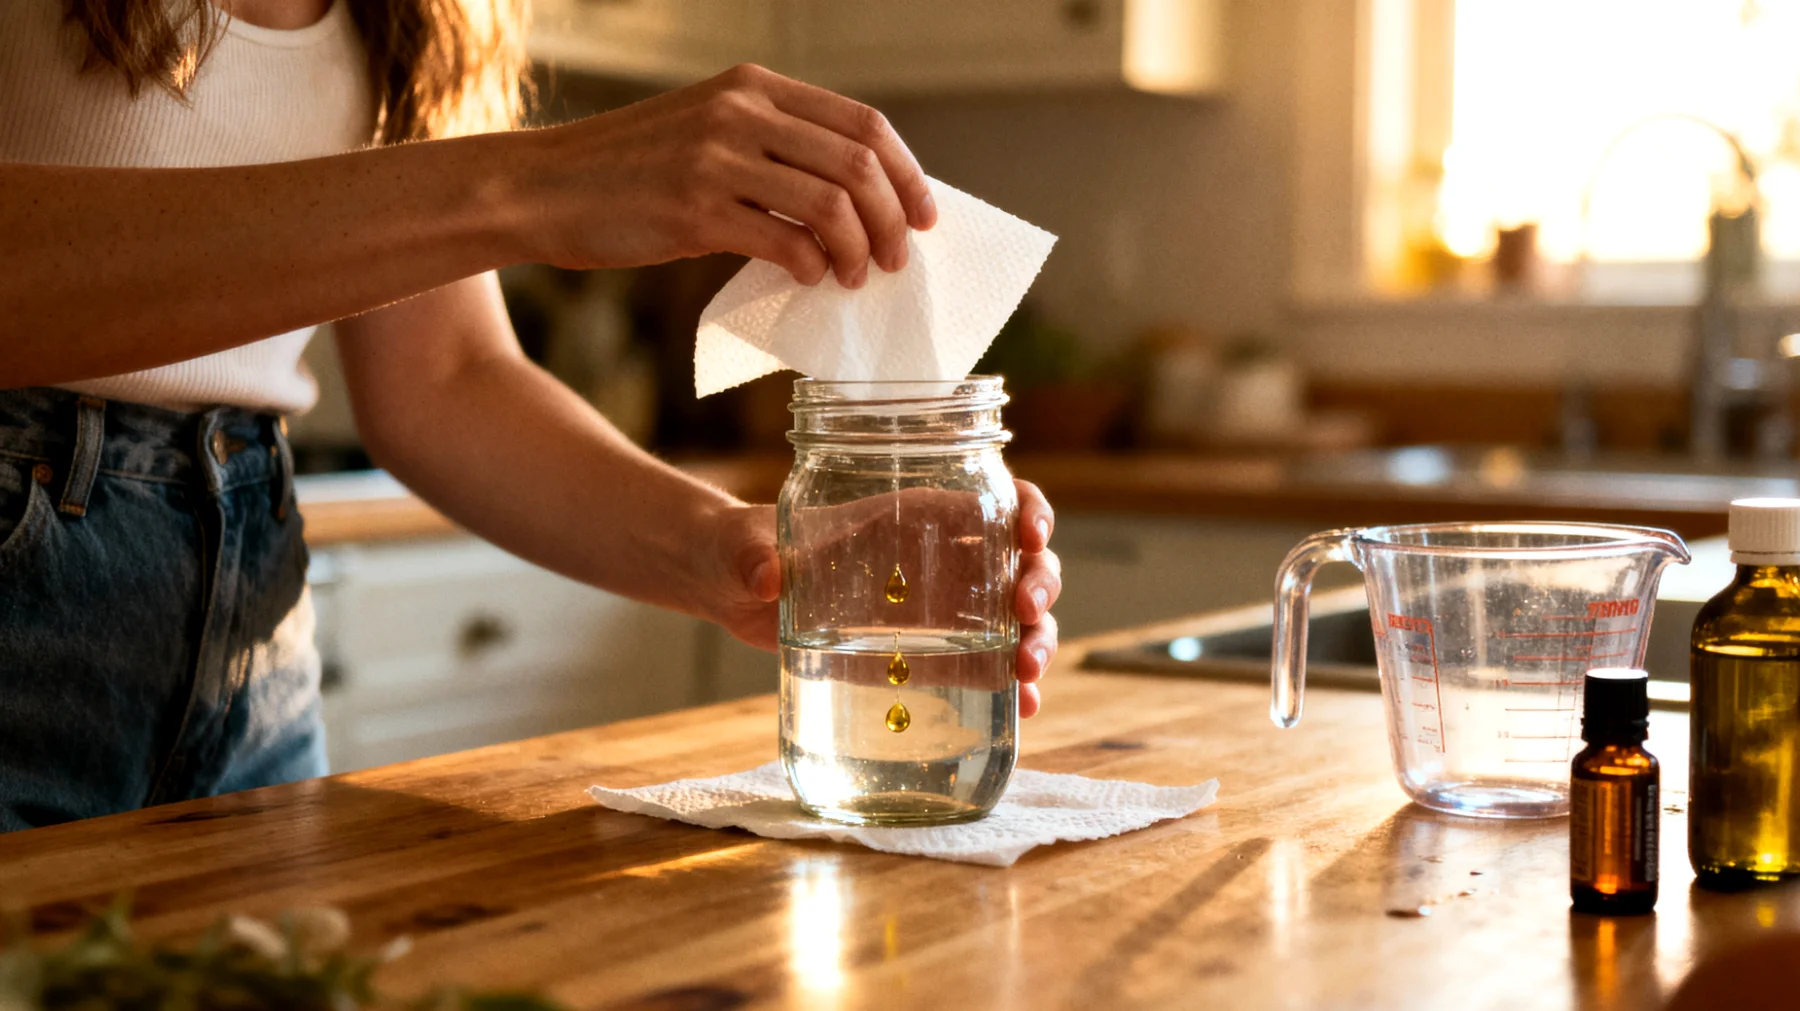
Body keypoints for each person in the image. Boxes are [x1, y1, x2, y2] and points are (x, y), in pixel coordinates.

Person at [0, 0, 1063, 832]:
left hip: (253, 635)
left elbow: (447, 375)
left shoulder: (433, 12)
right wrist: (534, 185)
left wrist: (733, 551)